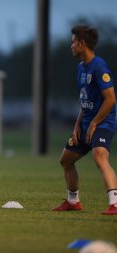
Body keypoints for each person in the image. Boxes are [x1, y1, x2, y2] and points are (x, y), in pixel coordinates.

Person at [52, 25, 117, 215]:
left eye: (73, 42)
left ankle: (114, 203)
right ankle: (73, 202)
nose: (71, 45)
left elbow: (111, 99)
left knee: (99, 156)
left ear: (82, 43)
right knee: (66, 160)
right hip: (86, 124)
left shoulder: (99, 66)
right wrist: (78, 125)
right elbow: (85, 100)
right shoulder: (80, 68)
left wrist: (95, 123)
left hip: (103, 123)